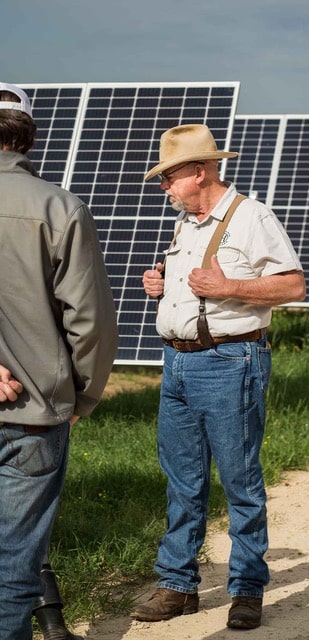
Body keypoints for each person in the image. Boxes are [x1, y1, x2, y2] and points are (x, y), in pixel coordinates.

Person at [131, 123, 305, 630]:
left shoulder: (251, 217)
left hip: (230, 362)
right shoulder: (186, 223)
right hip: (178, 362)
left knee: (240, 480)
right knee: (182, 479)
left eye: (170, 176)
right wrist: (160, 286)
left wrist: (228, 284)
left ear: (201, 171)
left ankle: (247, 588)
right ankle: (177, 584)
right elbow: (194, 287)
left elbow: (293, 284)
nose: (164, 186)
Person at [0, 83, 118, 640]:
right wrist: (82, 393)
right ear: (30, 138)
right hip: (36, 412)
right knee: (15, 567)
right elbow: (89, 322)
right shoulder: (60, 207)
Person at [0, 364, 82, 640]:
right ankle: (51, 621)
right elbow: (90, 331)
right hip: (30, 407)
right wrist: (81, 400)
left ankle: (52, 620)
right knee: (20, 544)